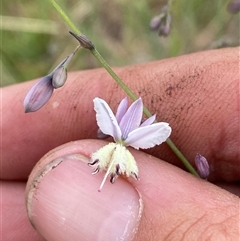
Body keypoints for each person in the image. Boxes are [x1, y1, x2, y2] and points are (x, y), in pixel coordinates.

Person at [2, 47, 239, 241]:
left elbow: (156, 129)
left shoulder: (122, 134)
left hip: (122, 141)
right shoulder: (118, 133)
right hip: (122, 140)